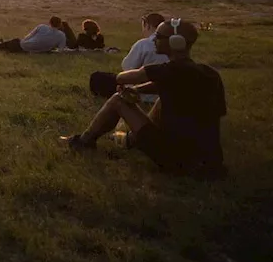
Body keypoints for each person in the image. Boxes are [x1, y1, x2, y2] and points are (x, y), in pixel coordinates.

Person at [62, 19, 226, 179]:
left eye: (159, 37)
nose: (154, 40)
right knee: (162, 99)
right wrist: (137, 90)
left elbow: (130, 76)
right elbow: (164, 85)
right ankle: (130, 141)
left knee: (118, 100)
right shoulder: (208, 73)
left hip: (178, 161)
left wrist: (114, 80)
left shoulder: (169, 70)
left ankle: (83, 142)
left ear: (176, 42)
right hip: (210, 164)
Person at [0, 16, 66, 53]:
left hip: (24, 46)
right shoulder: (62, 35)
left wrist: (24, 40)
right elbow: (60, 50)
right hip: (40, 51)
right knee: (12, 44)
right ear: (59, 25)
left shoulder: (42, 26)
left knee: (16, 41)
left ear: (50, 22)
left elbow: (28, 36)